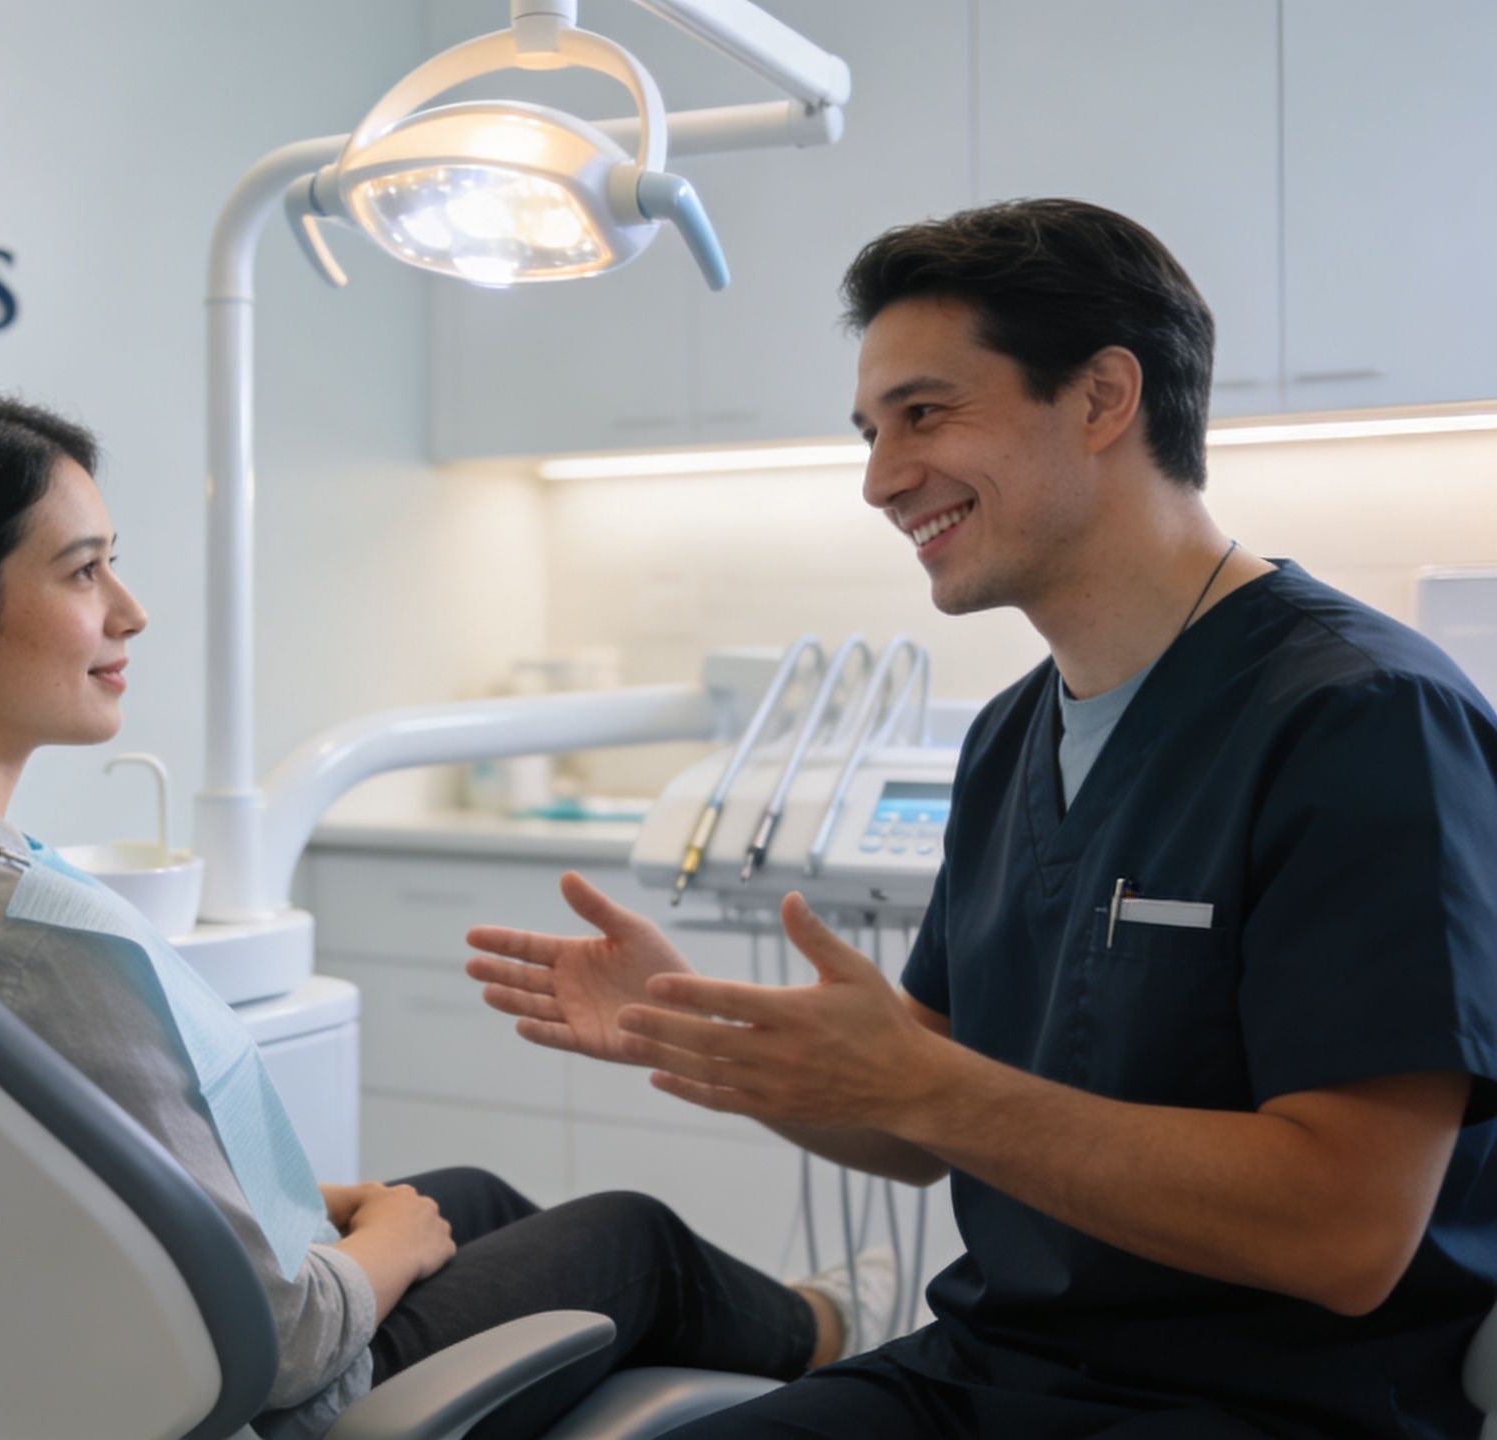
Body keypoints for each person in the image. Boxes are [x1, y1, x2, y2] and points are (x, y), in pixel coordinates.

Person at [471, 199, 1497, 1438]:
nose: (877, 478)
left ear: (1102, 399)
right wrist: (696, 1034)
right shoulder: (1011, 738)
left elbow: (1347, 1231)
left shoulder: (1362, 719)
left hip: (1265, 1403)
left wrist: (926, 1087)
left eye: (924, 413)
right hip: (990, 1368)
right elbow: (910, 1116)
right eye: (868, 431)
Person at [0, 386, 895, 1440]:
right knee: (631, 1235)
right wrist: (382, 1247)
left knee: (471, 1198)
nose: (129, 612)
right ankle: (843, 1345)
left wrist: (339, 1211)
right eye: (83, 572)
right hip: (248, 1401)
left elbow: (15, 1188)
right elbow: (281, 1345)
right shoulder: (30, 935)